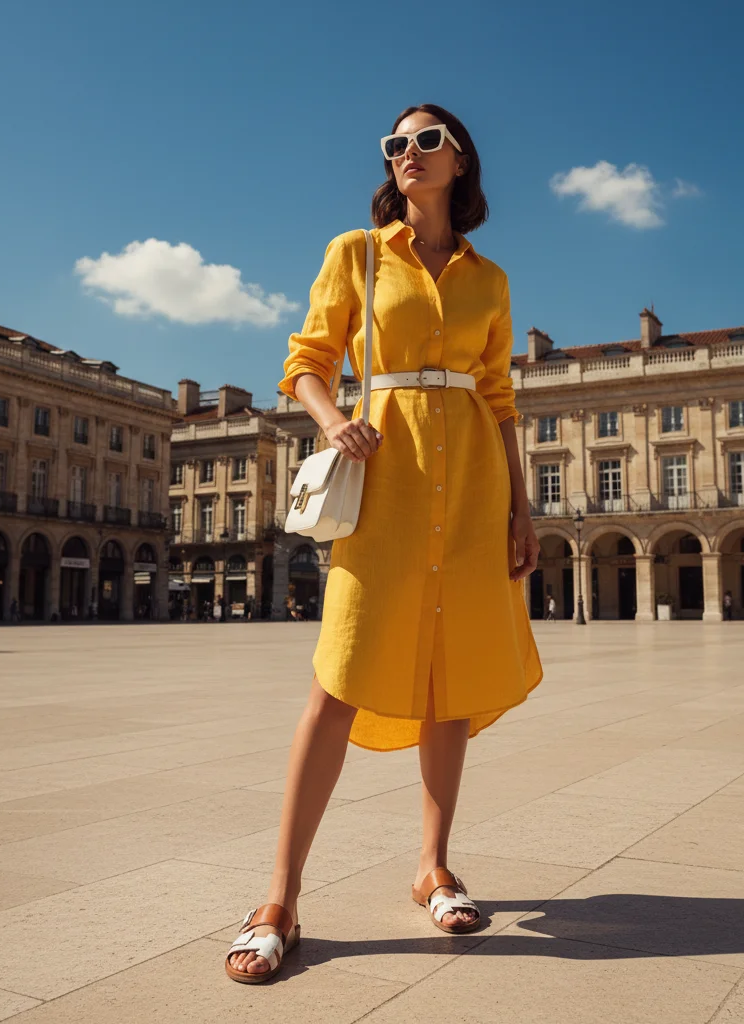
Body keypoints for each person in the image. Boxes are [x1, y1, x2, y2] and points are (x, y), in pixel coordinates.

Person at [224, 104, 543, 985]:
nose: (408, 153)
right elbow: (306, 359)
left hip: (474, 482)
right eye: (394, 144)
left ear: (460, 158)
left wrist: (522, 510)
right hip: (386, 481)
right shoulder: (357, 253)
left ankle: (433, 866)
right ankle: (279, 898)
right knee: (339, 678)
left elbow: (502, 398)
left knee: (451, 680)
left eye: (425, 140)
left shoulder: (491, 278)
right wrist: (331, 424)